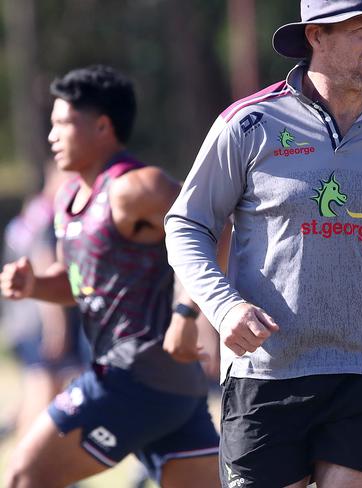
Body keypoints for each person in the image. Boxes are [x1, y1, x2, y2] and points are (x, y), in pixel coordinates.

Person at [165, 1, 362, 486]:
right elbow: (186, 225)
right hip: (266, 375)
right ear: (315, 36)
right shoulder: (248, 125)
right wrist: (223, 308)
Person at [0, 65, 220, 488]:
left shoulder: (138, 187)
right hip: (170, 389)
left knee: (20, 478)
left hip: (133, 376)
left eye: (63, 124)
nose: (52, 136)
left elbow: (212, 229)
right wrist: (34, 286)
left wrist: (187, 315)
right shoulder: (69, 200)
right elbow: (78, 284)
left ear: (102, 126)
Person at [0, 161, 88, 444]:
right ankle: (28, 467)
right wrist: (57, 328)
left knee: (40, 391)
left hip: (19, 318)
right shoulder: (52, 216)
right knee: (44, 393)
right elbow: (45, 266)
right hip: (40, 320)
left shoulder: (31, 211)